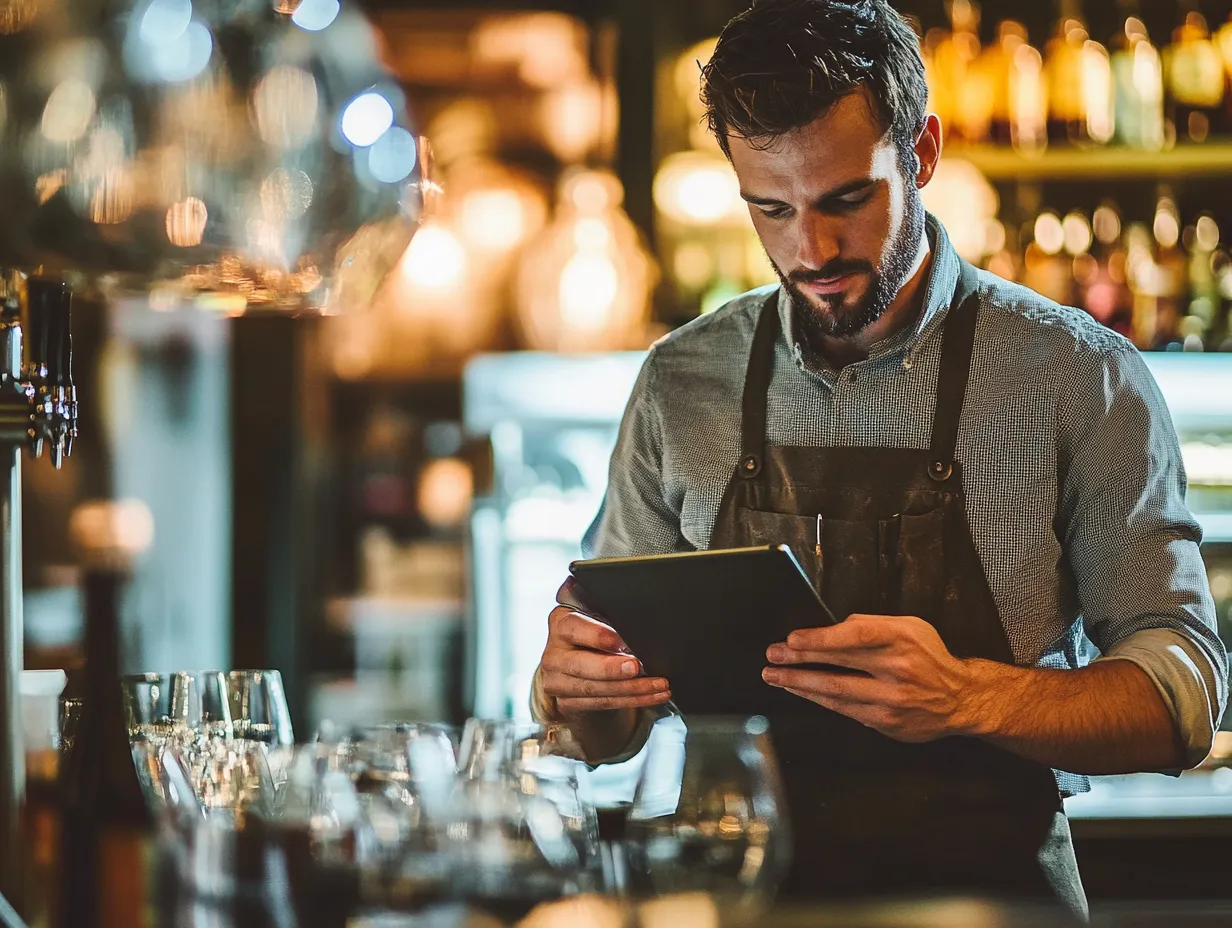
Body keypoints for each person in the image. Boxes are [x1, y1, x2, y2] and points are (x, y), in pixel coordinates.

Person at [530, 0, 1227, 914]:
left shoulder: (1076, 375)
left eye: (846, 200)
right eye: (770, 209)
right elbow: (603, 724)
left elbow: (1182, 697)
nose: (810, 249)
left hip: (989, 900)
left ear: (923, 153)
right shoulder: (680, 381)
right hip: (734, 896)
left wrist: (968, 698)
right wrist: (577, 688)